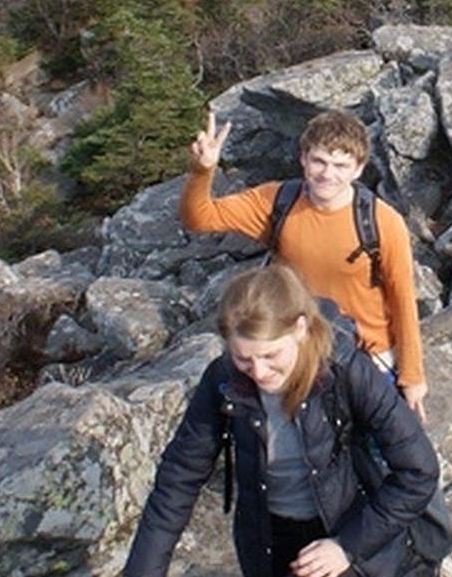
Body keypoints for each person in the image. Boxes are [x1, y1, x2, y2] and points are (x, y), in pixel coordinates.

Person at [108, 264, 440, 577]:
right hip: (268, 536)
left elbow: (419, 471)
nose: (259, 373)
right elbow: (180, 474)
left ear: (300, 329)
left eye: (270, 356)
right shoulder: (223, 381)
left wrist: (347, 546)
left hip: (350, 527)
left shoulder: (347, 371)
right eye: (244, 358)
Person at [179, 108, 428, 421]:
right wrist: (203, 171)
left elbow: (402, 299)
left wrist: (412, 377)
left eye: (341, 165)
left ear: (359, 169)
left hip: (367, 354)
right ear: (303, 158)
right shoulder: (278, 202)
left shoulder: (382, 222)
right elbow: (198, 217)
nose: (328, 174)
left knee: (375, 454)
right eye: (319, 161)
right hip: (294, 348)